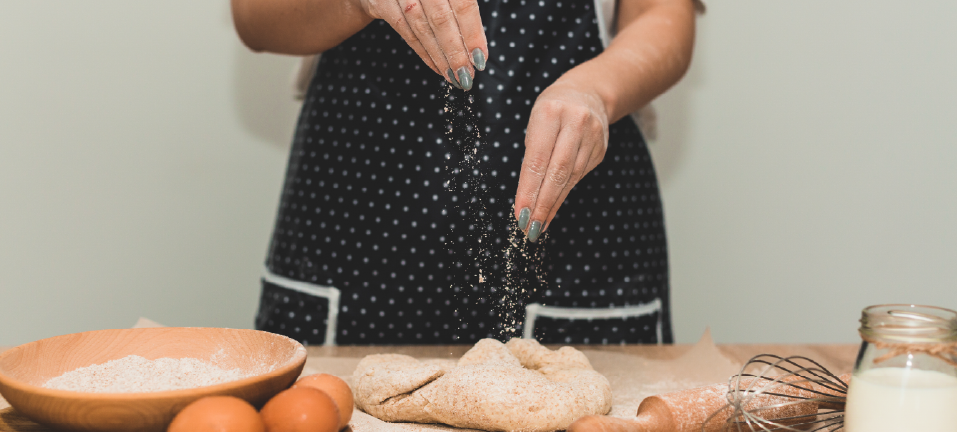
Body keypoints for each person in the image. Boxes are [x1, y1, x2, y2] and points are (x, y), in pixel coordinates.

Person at [231, 0, 699, 345]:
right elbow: (255, 17)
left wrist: (595, 91)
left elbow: (662, 16)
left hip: (575, 250)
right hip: (354, 239)